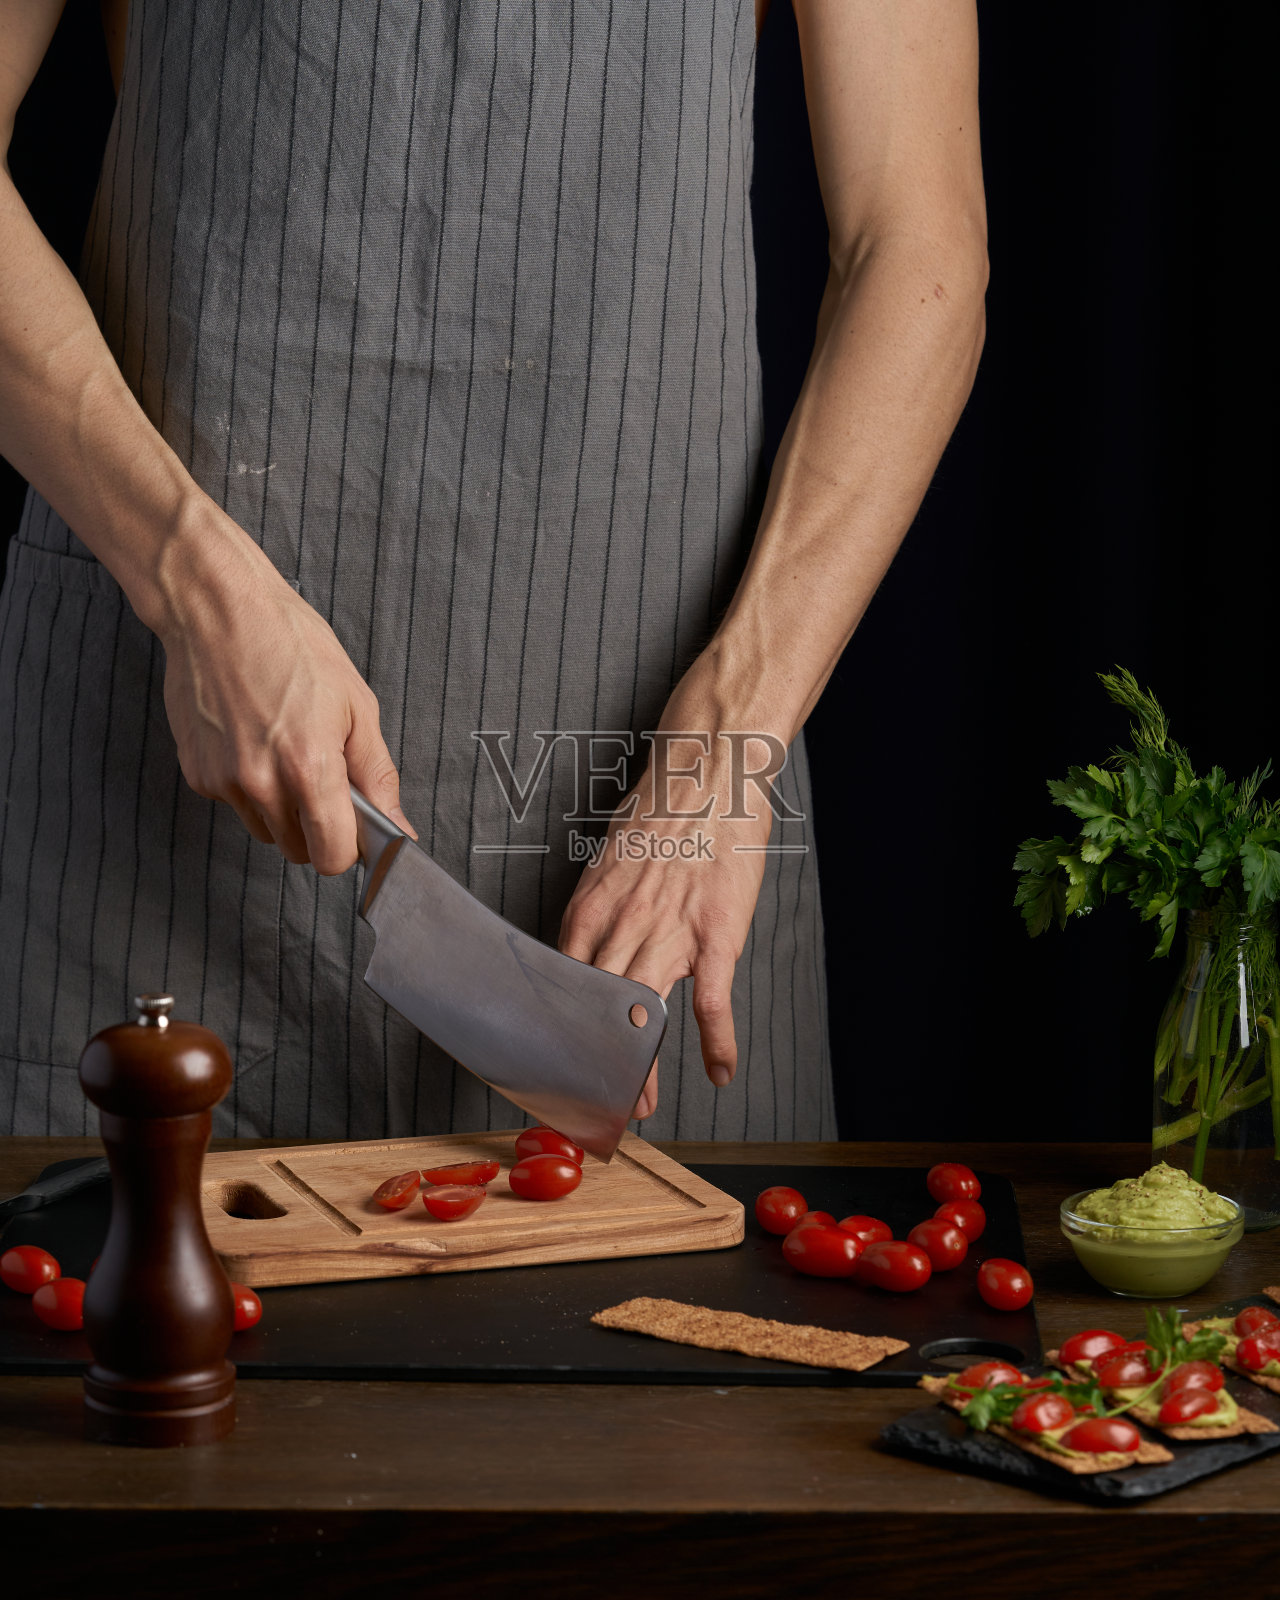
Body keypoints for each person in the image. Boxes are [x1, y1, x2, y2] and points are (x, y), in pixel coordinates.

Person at [0, 0, 987, 1139]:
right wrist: (183, 576)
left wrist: (727, 740)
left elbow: (916, 246)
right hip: (154, 781)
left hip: (637, 829)